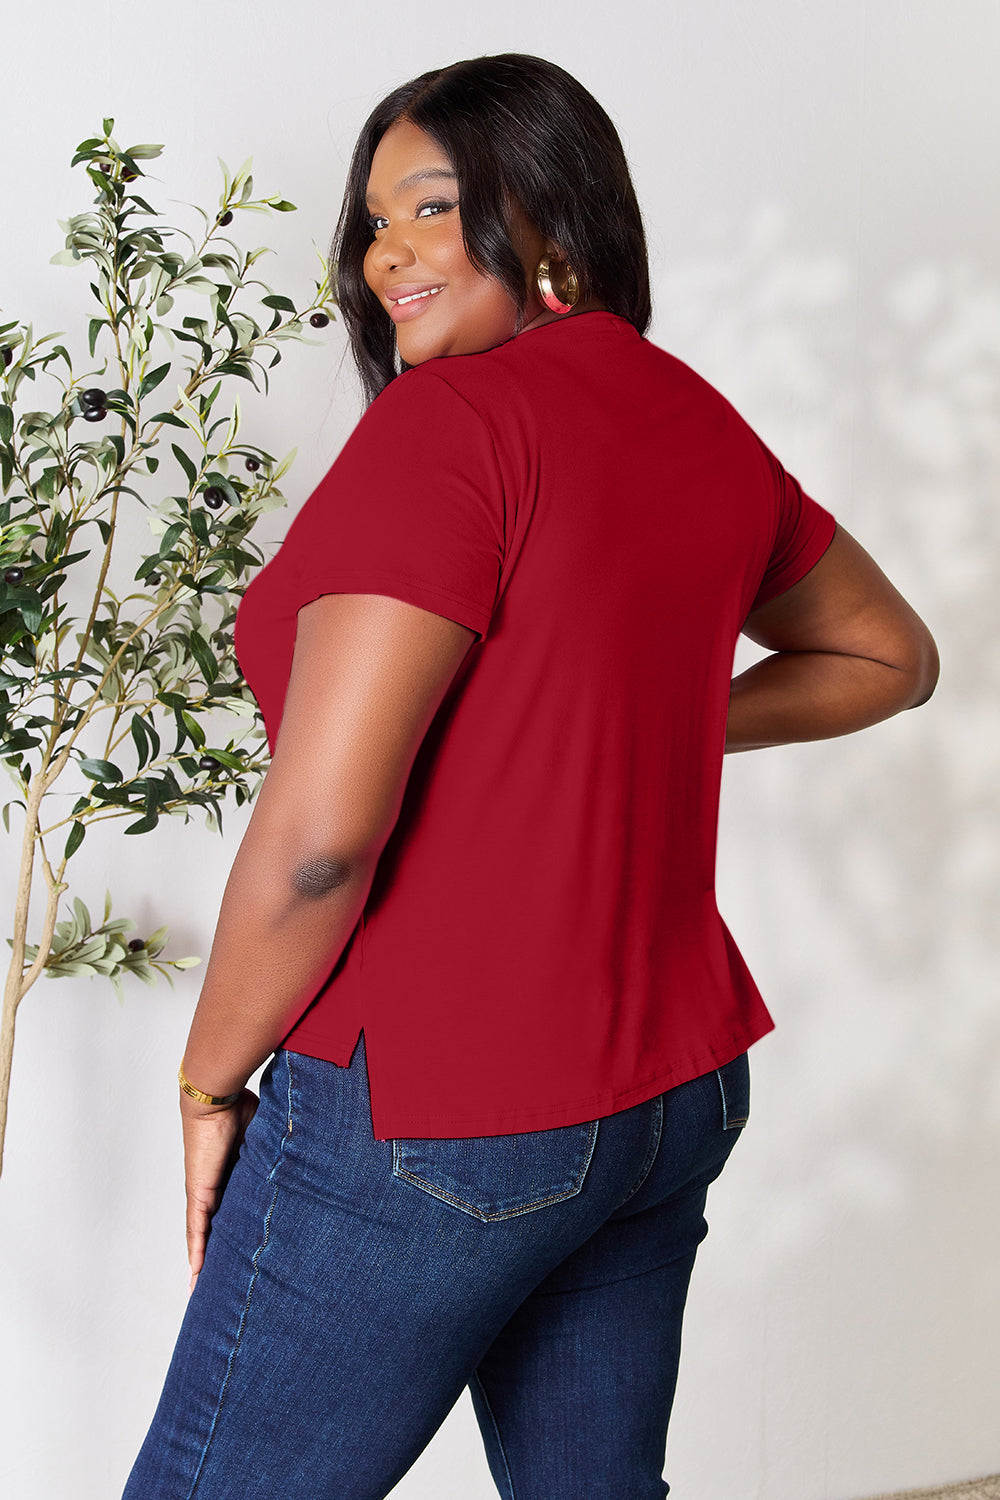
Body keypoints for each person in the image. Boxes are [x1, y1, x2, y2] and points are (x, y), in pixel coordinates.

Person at [121, 52, 939, 1500]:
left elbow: (320, 844)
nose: (387, 255)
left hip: (440, 1117)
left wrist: (208, 1082)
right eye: (374, 222)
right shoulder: (691, 417)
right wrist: (623, 721)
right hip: (668, 1095)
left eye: (431, 207)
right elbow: (888, 655)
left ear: (550, 220)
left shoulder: (451, 431)